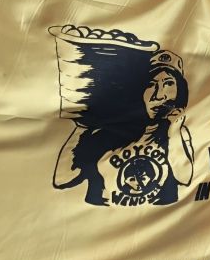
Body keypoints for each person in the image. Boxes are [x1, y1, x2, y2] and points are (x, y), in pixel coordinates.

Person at [54, 50, 194, 206]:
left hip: (166, 224)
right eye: (151, 84)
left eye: (168, 83)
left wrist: (174, 129)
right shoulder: (105, 130)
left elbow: (184, 178)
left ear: (179, 92)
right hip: (99, 222)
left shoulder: (176, 133)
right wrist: (81, 127)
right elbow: (63, 180)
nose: (159, 95)